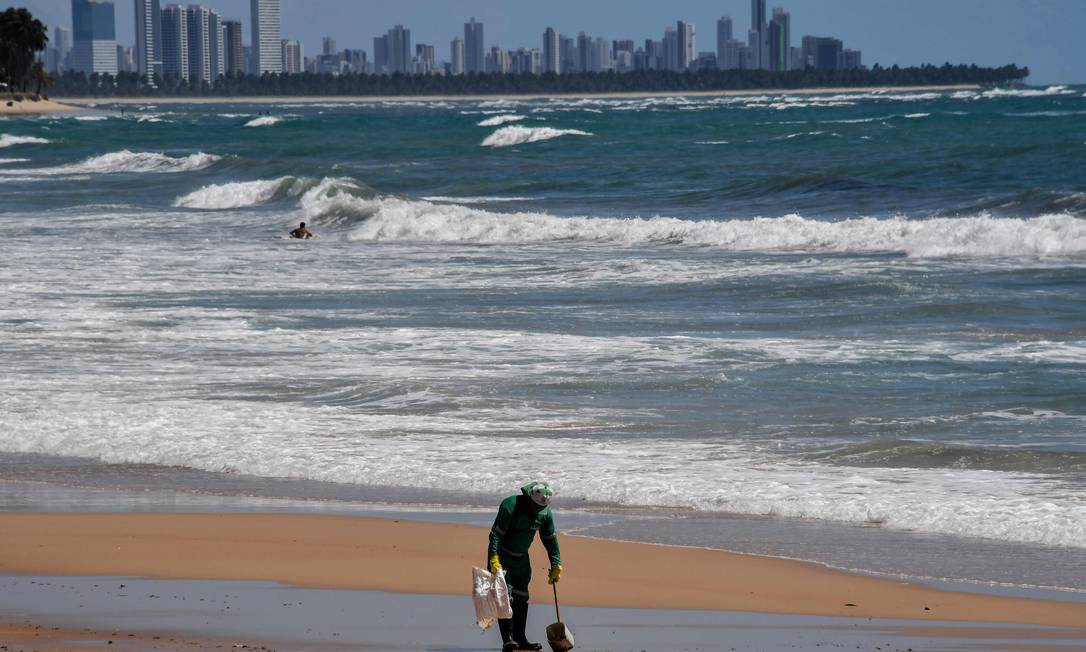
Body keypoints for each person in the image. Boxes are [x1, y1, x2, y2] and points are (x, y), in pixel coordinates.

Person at [487, 481, 562, 652]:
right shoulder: (510, 506)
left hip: (521, 560)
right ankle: (508, 641)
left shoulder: (545, 514)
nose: (538, 512)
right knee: (505, 598)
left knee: (521, 597)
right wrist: (493, 558)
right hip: (502, 557)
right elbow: (496, 535)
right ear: (529, 498)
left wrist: (556, 563)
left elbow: (550, 540)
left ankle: (521, 639)